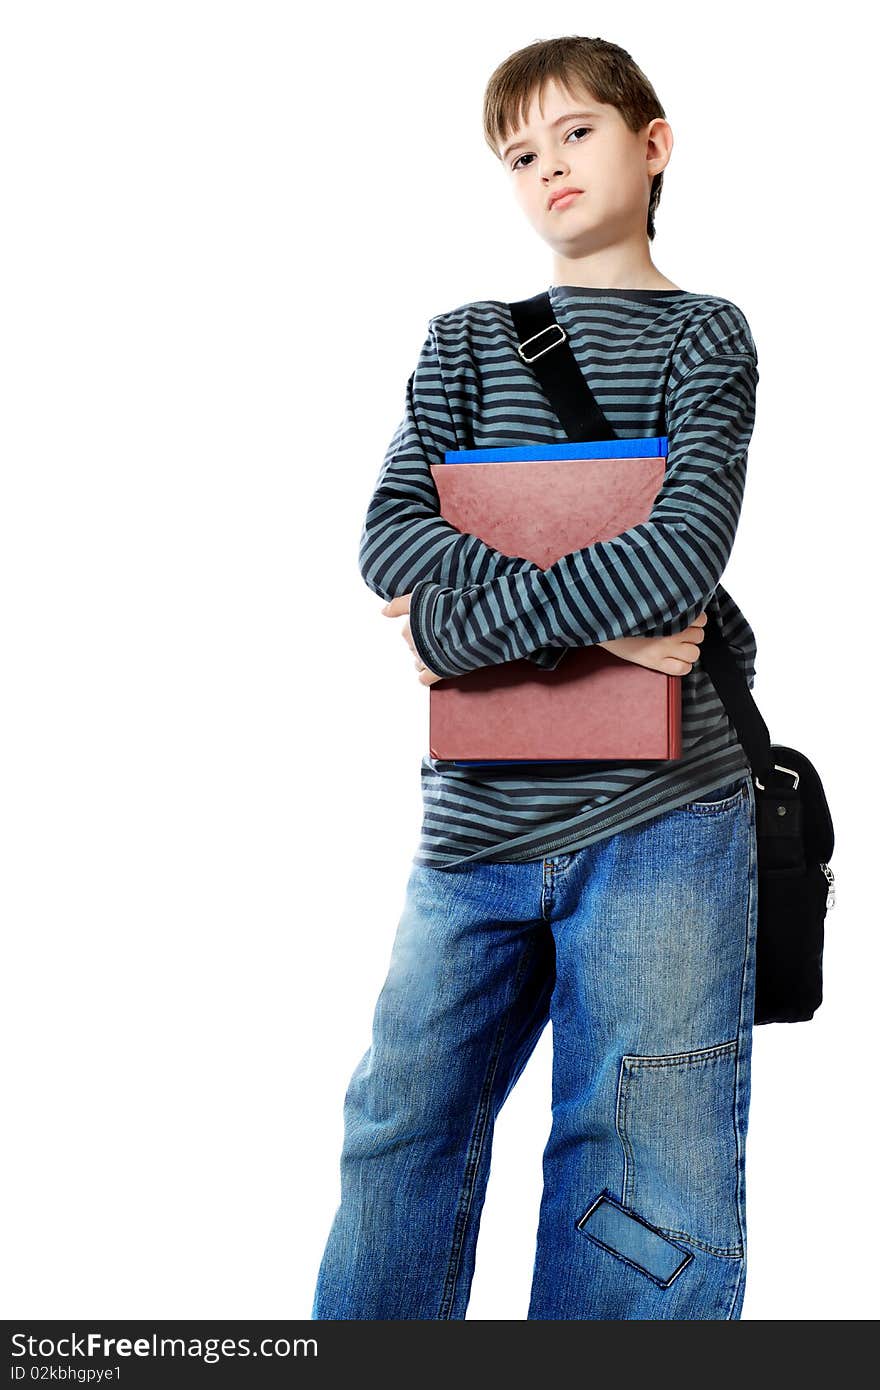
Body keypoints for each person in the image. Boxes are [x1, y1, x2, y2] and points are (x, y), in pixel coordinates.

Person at [312, 34, 760, 1320]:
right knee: (397, 1132)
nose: (547, 166)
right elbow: (389, 538)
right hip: (474, 817)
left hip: (664, 815)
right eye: (520, 152)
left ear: (651, 143)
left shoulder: (704, 337)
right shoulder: (461, 343)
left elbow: (682, 556)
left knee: (641, 1171)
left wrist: (460, 628)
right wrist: (599, 625)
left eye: (575, 133)